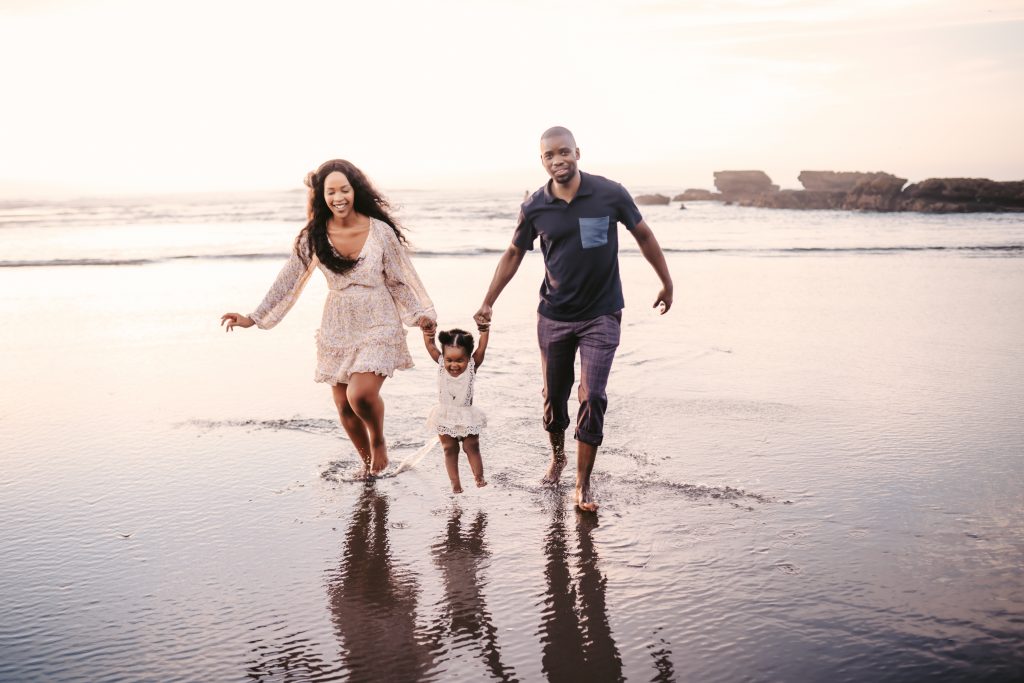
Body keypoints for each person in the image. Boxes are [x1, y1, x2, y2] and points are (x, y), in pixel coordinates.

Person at [474, 126, 673, 512]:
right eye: (549, 156)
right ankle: (557, 455)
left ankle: (582, 485)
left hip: (602, 312)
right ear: (542, 161)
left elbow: (644, 235)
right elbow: (513, 254)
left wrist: (666, 282)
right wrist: (488, 301)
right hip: (554, 315)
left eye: (563, 152)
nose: (557, 160)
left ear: (577, 152)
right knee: (554, 397)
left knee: (593, 395)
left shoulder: (609, 193)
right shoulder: (535, 206)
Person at [221, 159, 436, 477]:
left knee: (360, 395)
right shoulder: (314, 235)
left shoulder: (380, 232)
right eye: (331, 191)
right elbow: (288, 279)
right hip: (338, 323)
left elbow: (399, 279)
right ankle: (368, 466)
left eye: (344, 190)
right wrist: (254, 317)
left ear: (355, 190)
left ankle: (378, 441)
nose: (339, 197)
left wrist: (421, 316)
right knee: (344, 408)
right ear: (321, 196)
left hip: (378, 317)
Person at [421, 326, 490, 493]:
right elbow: (430, 346)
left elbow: (481, 348)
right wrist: (427, 333)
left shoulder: (473, 366)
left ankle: (479, 476)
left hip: (467, 416)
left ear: (468, 359)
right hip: (445, 415)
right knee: (449, 449)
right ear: (443, 358)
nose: (453, 365)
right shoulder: (440, 364)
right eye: (449, 360)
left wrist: (484, 331)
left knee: (471, 446)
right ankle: (455, 483)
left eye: (460, 360)